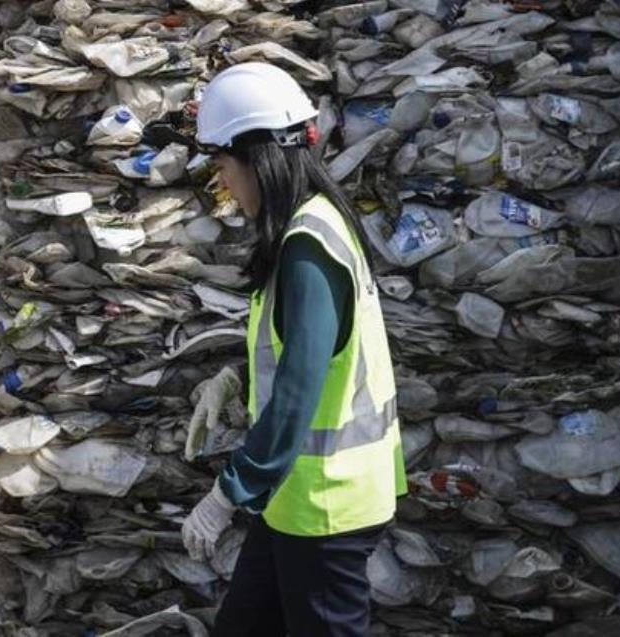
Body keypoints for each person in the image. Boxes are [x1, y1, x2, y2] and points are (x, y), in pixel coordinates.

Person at [180, 62, 407, 637]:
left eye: (223, 166)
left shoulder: (308, 246)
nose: (223, 184)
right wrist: (235, 376)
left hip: (326, 509)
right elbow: (302, 351)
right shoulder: (311, 227)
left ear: (258, 159)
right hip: (294, 504)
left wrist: (227, 494)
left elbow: (299, 393)